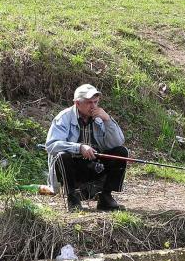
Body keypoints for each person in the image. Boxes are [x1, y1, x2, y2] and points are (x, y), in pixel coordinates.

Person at [45, 84, 128, 212]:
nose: (94, 106)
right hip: (73, 170)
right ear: (77, 103)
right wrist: (79, 147)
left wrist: (108, 120)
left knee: (121, 152)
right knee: (62, 156)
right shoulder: (63, 118)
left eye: (96, 102)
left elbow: (118, 142)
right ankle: (72, 198)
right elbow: (51, 145)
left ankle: (105, 196)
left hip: (94, 166)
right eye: (89, 102)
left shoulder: (100, 119)